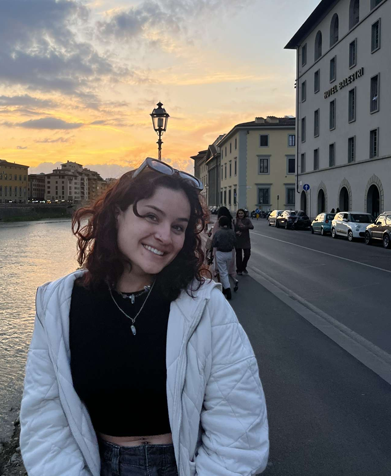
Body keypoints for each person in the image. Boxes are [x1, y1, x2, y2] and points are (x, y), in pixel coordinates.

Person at [20, 157, 269, 476]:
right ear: (117, 213)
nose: (166, 236)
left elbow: (239, 426)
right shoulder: (60, 304)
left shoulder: (206, 306)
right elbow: (45, 424)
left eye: (178, 226)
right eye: (151, 216)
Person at [211, 206, 239, 289]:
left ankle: (225, 287)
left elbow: (214, 237)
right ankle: (233, 279)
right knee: (229, 266)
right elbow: (235, 239)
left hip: (220, 249)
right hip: (230, 249)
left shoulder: (218, 223)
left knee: (221, 268)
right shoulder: (231, 222)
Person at [235, 208, 254, 275]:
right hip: (238, 240)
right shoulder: (235, 220)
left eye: (242, 213)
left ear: (244, 214)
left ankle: (243, 267)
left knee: (247, 254)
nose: (240, 215)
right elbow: (232, 229)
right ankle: (239, 270)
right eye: (239, 213)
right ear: (237, 214)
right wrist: (236, 232)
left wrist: (245, 226)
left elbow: (251, 227)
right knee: (238, 256)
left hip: (246, 240)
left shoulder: (247, 220)